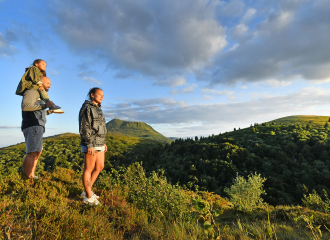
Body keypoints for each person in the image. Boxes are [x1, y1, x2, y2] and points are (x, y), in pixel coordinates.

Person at [21, 76, 57, 179]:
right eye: (48, 83)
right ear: (40, 82)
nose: (50, 85)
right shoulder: (32, 92)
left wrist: (49, 112)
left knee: (37, 151)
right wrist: (45, 105)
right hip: (33, 125)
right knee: (32, 151)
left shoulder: (40, 95)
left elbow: (38, 112)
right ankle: (27, 178)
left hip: (38, 125)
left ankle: (31, 175)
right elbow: (26, 107)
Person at [79, 87, 107, 205]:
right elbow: (85, 127)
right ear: (92, 95)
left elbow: (101, 127)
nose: (101, 96)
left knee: (100, 167)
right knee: (89, 168)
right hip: (91, 143)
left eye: (103, 95)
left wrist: (104, 142)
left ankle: (87, 191)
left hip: (100, 142)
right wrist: (89, 144)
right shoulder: (87, 108)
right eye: (99, 94)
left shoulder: (99, 109)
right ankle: (88, 197)